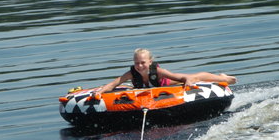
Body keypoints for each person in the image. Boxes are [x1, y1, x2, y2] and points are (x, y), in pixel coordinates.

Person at [94, 48, 237, 94]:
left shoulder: (157, 71)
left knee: (194, 77)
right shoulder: (131, 73)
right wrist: (100, 92)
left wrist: (188, 82)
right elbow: (114, 84)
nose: (139, 66)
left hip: (168, 82)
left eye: (143, 62)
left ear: (150, 62)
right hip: (150, 90)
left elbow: (180, 78)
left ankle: (224, 78)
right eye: (136, 63)